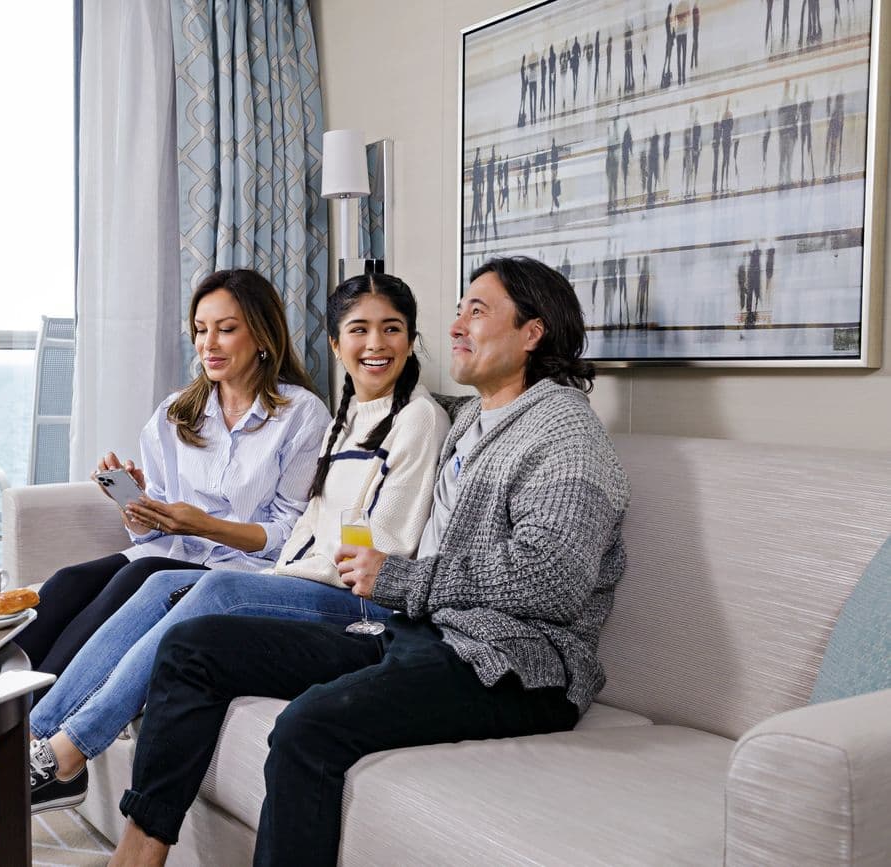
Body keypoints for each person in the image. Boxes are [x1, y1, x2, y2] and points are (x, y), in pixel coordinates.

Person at [107, 256, 632, 867]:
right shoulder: (473, 420)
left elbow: (555, 580)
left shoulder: (565, 435)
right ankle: (138, 854)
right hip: (423, 635)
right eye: (458, 309)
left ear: (532, 333)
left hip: (514, 667)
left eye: (477, 311)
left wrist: (401, 578)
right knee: (192, 647)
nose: (456, 325)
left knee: (308, 728)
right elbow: (384, 414)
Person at [0, 272, 452, 823]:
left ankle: (67, 751)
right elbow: (314, 524)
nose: (376, 344)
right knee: (147, 580)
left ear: (412, 338)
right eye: (359, 330)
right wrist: (144, 509)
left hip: (356, 598)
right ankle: (34, 741)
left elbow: (382, 547)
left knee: (199, 584)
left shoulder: (415, 418)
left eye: (391, 329)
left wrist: (263, 564)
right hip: (294, 576)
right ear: (336, 344)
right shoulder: (346, 416)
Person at [0, 268, 330, 798]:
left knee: (123, 587)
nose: (209, 343)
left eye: (226, 329)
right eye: (200, 329)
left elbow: (291, 535)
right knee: (64, 585)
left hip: (237, 571)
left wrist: (203, 523)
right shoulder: (177, 414)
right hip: (171, 552)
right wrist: (136, 506)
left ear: (262, 334)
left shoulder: (301, 415)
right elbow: (150, 533)